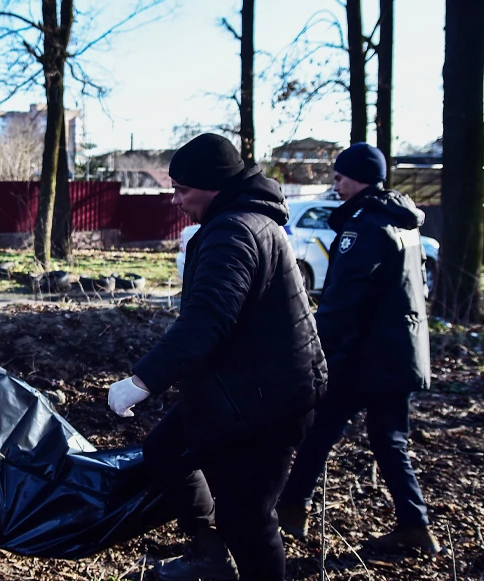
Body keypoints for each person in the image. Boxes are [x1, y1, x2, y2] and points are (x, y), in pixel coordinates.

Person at [107, 134, 326, 581]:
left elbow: (207, 321)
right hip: (241, 388)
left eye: (183, 189)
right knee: (165, 450)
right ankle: (209, 556)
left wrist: (141, 382)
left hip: (269, 400)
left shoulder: (234, 231)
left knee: (248, 517)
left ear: (214, 186)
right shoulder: (246, 221)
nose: (176, 199)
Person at [276, 142, 441, 554]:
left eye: (340, 177)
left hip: (364, 357)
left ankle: (292, 507)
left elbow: (345, 299)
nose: (336, 186)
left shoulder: (364, 225)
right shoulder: (402, 221)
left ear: (361, 178)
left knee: (319, 430)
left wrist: (314, 350)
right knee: (389, 440)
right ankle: (414, 524)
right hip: (398, 354)